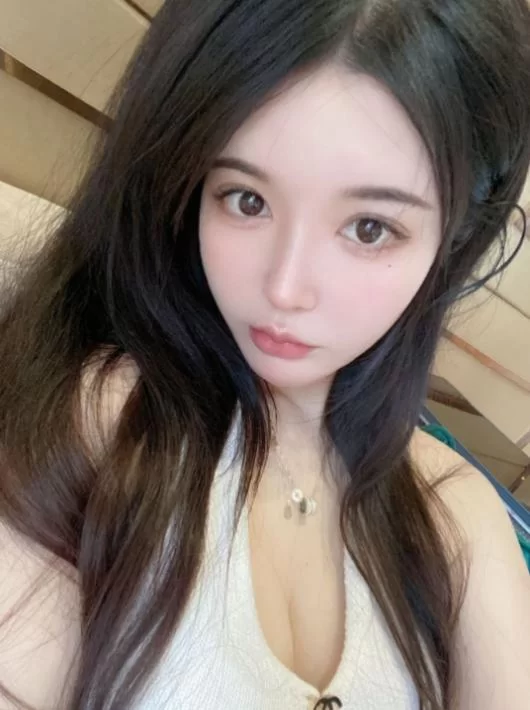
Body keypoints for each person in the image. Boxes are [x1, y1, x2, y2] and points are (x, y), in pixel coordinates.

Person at [0, 1, 529, 708]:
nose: (285, 288)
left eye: (370, 228)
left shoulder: (456, 516)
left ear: (455, 240)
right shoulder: (86, 431)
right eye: (246, 200)